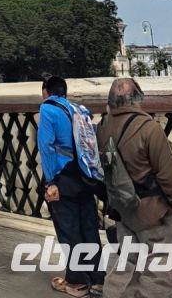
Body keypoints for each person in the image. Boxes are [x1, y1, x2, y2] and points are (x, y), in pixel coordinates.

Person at [93, 78, 172, 298]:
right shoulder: (148, 128)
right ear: (138, 98)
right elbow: (167, 176)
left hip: (122, 207)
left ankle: (112, 293)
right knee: (162, 268)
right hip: (151, 211)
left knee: (128, 261)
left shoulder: (103, 127)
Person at [39, 75, 105, 297]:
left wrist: (50, 182)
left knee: (69, 231)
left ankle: (77, 282)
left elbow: (46, 146)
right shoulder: (79, 110)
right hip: (85, 176)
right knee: (89, 228)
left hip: (63, 178)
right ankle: (97, 279)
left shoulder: (48, 109)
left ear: (46, 91)